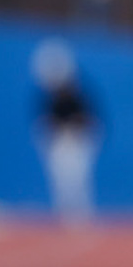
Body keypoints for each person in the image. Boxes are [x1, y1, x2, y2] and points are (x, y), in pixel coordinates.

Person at [31, 38, 100, 225]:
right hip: (59, 143)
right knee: (60, 181)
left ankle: (81, 215)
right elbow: (43, 123)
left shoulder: (78, 96)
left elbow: (91, 122)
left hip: (77, 141)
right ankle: (65, 214)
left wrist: (77, 131)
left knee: (79, 179)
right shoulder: (48, 98)